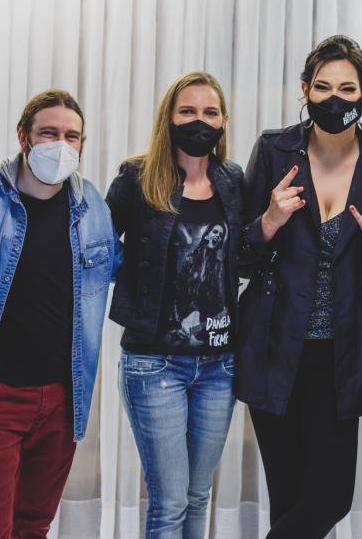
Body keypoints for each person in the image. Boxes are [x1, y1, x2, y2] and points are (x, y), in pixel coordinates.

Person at [237, 35, 362, 538]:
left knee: (331, 497)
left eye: (347, 88)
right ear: (305, 90)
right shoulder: (274, 151)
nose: (334, 99)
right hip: (274, 348)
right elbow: (239, 256)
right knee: (288, 497)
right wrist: (269, 221)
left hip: (343, 354)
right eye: (323, 87)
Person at [0, 89, 121, 538]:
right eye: (49, 133)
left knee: (34, 526)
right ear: (23, 136)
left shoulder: (93, 207)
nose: (61, 144)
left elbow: (123, 268)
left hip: (63, 398)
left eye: (72, 136)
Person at [105, 72, 244, 539]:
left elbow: (244, 256)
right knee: (170, 503)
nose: (198, 121)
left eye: (209, 112)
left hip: (220, 365)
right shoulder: (137, 177)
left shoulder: (233, 180)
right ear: (168, 118)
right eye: (187, 111)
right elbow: (98, 246)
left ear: (223, 121)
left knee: (198, 495)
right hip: (154, 364)